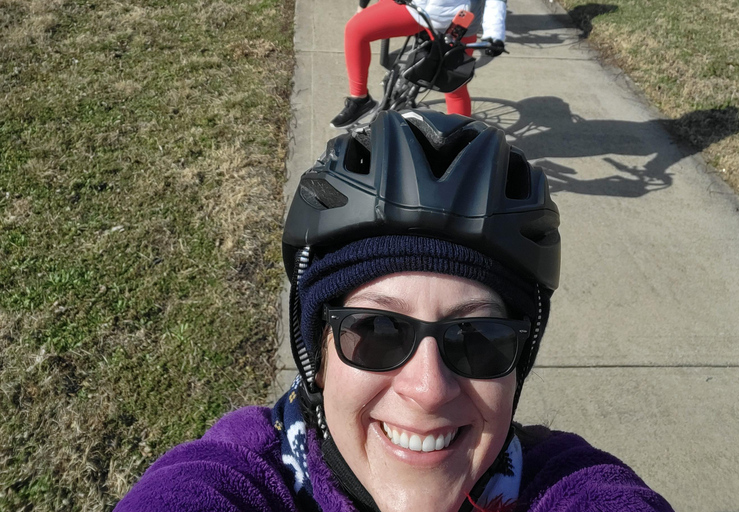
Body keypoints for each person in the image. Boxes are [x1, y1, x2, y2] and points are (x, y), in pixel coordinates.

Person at [115, 110, 675, 512]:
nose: (429, 390)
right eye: (378, 331)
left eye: (478, 339)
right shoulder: (237, 474)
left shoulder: (566, 484)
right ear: (317, 357)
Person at [331, 0, 508, 128]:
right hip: (416, 8)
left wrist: (494, 35)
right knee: (355, 30)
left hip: (456, 23)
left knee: (453, 85)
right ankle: (360, 99)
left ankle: (459, 141)